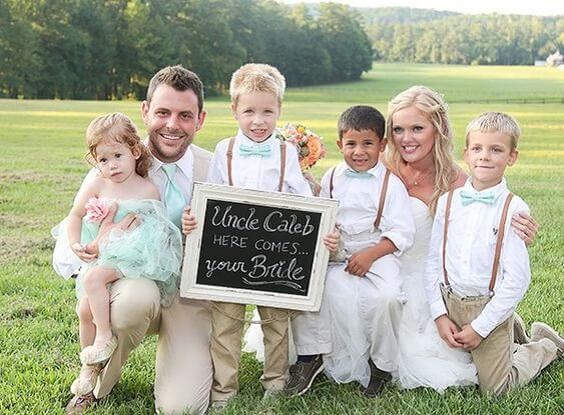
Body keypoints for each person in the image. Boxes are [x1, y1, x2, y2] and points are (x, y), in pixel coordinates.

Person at [54, 65, 214, 415]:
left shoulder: (214, 168)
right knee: (132, 301)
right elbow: (77, 219)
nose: (172, 124)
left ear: (200, 119)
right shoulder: (114, 159)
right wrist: (89, 257)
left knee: (180, 408)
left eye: (185, 115)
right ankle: (94, 386)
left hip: (187, 296)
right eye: (162, 112)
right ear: (145, 111)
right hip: (133, 284)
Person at [385, 86, 541, 392]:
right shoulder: (380, 166)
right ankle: (511, 326)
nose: (407, 138)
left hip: (434, 283)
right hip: (398, 274)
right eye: (398, 129)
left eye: (417, 128)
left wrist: (522, 230)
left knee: (471, 369)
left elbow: (488, 234)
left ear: (438, 129)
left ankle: (523, 336)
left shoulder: (457, 182)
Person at [202, 63, 337, 410]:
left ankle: (275, 381)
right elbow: (211, 195)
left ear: (279, 111)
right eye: (249, 111)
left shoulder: (285, 151)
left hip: (273, 252)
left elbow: (302, 195)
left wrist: (320, 225)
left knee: (276, 323)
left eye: (267, 112)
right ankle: (224, 387)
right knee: (226, 322)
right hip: (230, 253)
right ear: (234, 110)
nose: (258, 121)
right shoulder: (224, 150)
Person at [424, 111, 562, 394]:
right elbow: (432, 262)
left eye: (496, 149)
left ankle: (545, 346)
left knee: (496, 389)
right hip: (449, 303)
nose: (484, 156)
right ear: (466, 153)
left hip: (488, 309)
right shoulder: (448, 202)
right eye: (477, 148)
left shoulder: (514, 209)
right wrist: (439, 315)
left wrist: (481, 327)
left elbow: (517, 280)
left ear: (512, 157)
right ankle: (514, 330)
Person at [286, 105, 415, 397]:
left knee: (389, 297)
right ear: (339, 144)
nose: (359, 151)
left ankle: (382, 364)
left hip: (378, 250)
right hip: (337, 250)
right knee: (306, 285)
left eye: (368, 143)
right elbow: (322, 214)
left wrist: (370, 255)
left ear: (382, 145)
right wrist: (328, 237)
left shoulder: (391, 185)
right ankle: (311, 356)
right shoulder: (332, 177)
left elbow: (402, 232)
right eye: (351, 144)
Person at [54, 112, 182, 398]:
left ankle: (104, 337)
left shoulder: (147, 188)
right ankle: (88, 367)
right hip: (104, 252)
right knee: (85, 310)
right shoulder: (97, 183)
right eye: (103, 160)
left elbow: (154, 234)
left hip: (134, 255)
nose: (111, 166)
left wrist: (117, 234)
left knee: (94, 281)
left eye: (117, 156)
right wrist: (76, 244)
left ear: (135, 151)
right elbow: (75, 216)